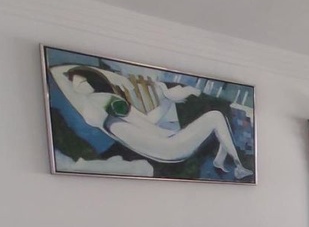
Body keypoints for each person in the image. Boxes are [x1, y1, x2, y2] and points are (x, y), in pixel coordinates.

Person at [50, 64, 253, 179]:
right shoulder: (106, 101)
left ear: (93, 83)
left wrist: (167, 99)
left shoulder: (95, 108)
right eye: (76, 82)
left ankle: (222, 159)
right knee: (215, 116)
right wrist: (106, 74)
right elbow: (57, 71)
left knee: (216, 118)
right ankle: (238, 165)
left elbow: (149, 121)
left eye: (82, 81)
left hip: (162, 148)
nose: (77, 86)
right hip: (168, 147)